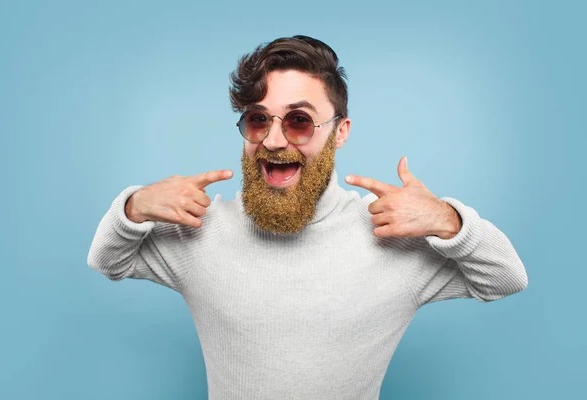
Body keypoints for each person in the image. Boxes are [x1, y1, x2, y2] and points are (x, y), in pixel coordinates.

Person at [87, 35, 528, 400]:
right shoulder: (202, 232)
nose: (274, 139)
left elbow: (506, 278)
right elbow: (109, 261)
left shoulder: (391, 239)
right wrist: (133, 207)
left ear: (340, 132)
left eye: (299, 120)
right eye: (258, 119)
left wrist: (448, 220)